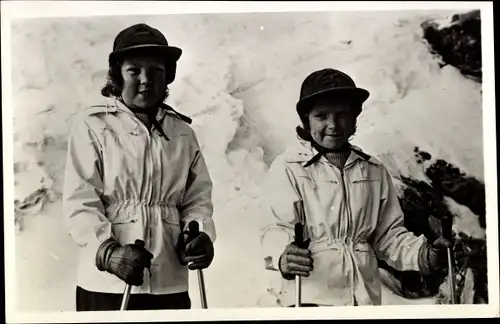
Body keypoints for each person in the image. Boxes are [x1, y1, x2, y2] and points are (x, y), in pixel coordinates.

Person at [260, 68, 452, 307]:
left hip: (363, 298)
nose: (333, 124)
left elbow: (388, 236)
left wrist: (424, 255)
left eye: (342, 115)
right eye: (321, 116)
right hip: (310, 297)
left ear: (354, 119)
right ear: (306, 120)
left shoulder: (373, 170)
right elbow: (276, 227)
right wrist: (283, 255)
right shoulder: (290, 167)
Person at [62, 23, 216, 311]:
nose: (146, 80)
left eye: (156, 71)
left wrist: (199, 234)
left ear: (168, 76)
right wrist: (108, 253)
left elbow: (198, 199)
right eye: (134, 71)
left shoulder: (182, 132)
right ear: (118, 75)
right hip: (107, 282)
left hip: (169, 280)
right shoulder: (94, 125)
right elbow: (80, 201)